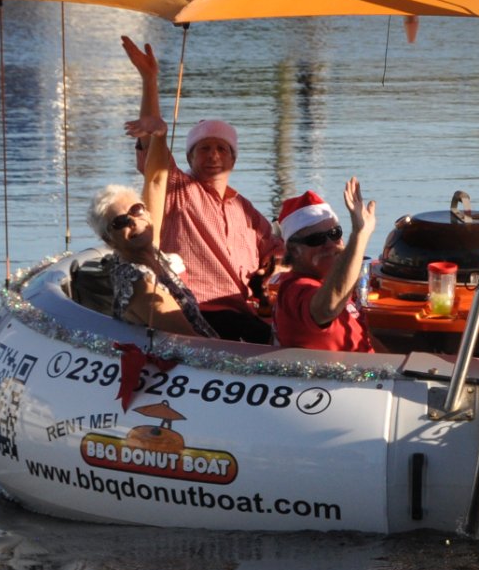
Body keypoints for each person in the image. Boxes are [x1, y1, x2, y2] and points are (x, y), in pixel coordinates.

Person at [121, 36, 280, 343]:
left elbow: (275, 250)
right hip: (198, 310)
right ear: (189, 157)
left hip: (242, 311)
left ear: (234, 157)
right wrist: (150, 82)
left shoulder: (244, 209)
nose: (214, 155)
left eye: (222, 148)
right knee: (273, 345)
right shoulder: (179, 189)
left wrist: (273, 271)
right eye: (204, 148)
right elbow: (154, 158)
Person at [83, 185, 217, 338]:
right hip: (191, 357)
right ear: (109, 240)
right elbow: (190, 340)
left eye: (136, 209)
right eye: (120, 222)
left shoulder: (154, 255)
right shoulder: (137, 280)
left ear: (147, 213)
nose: (133, 221)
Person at [272, 181, 378, 353]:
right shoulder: (294, 291)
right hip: (338, 378)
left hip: (366, 373)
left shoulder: (326, 283)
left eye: (335, 234)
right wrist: (360, 234)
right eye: (316, 239)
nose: (330, 245)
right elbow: (329, 306)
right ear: (294, 250)